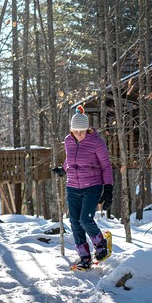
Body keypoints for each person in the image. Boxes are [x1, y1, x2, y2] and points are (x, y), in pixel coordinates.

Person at [52, 106, 114, 269]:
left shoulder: (96, 143)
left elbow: (106, 166)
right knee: (74, 222)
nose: (79, 134)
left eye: (82, 131)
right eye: (76, 131)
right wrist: (63, 169)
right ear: (71, 130)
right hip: (72, 186)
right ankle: (84, 256)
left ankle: (100, 243)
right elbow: (70, 158)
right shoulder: (68, 141)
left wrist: (108, 190)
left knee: (85, 219)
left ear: (87, 129)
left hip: (92, 186)